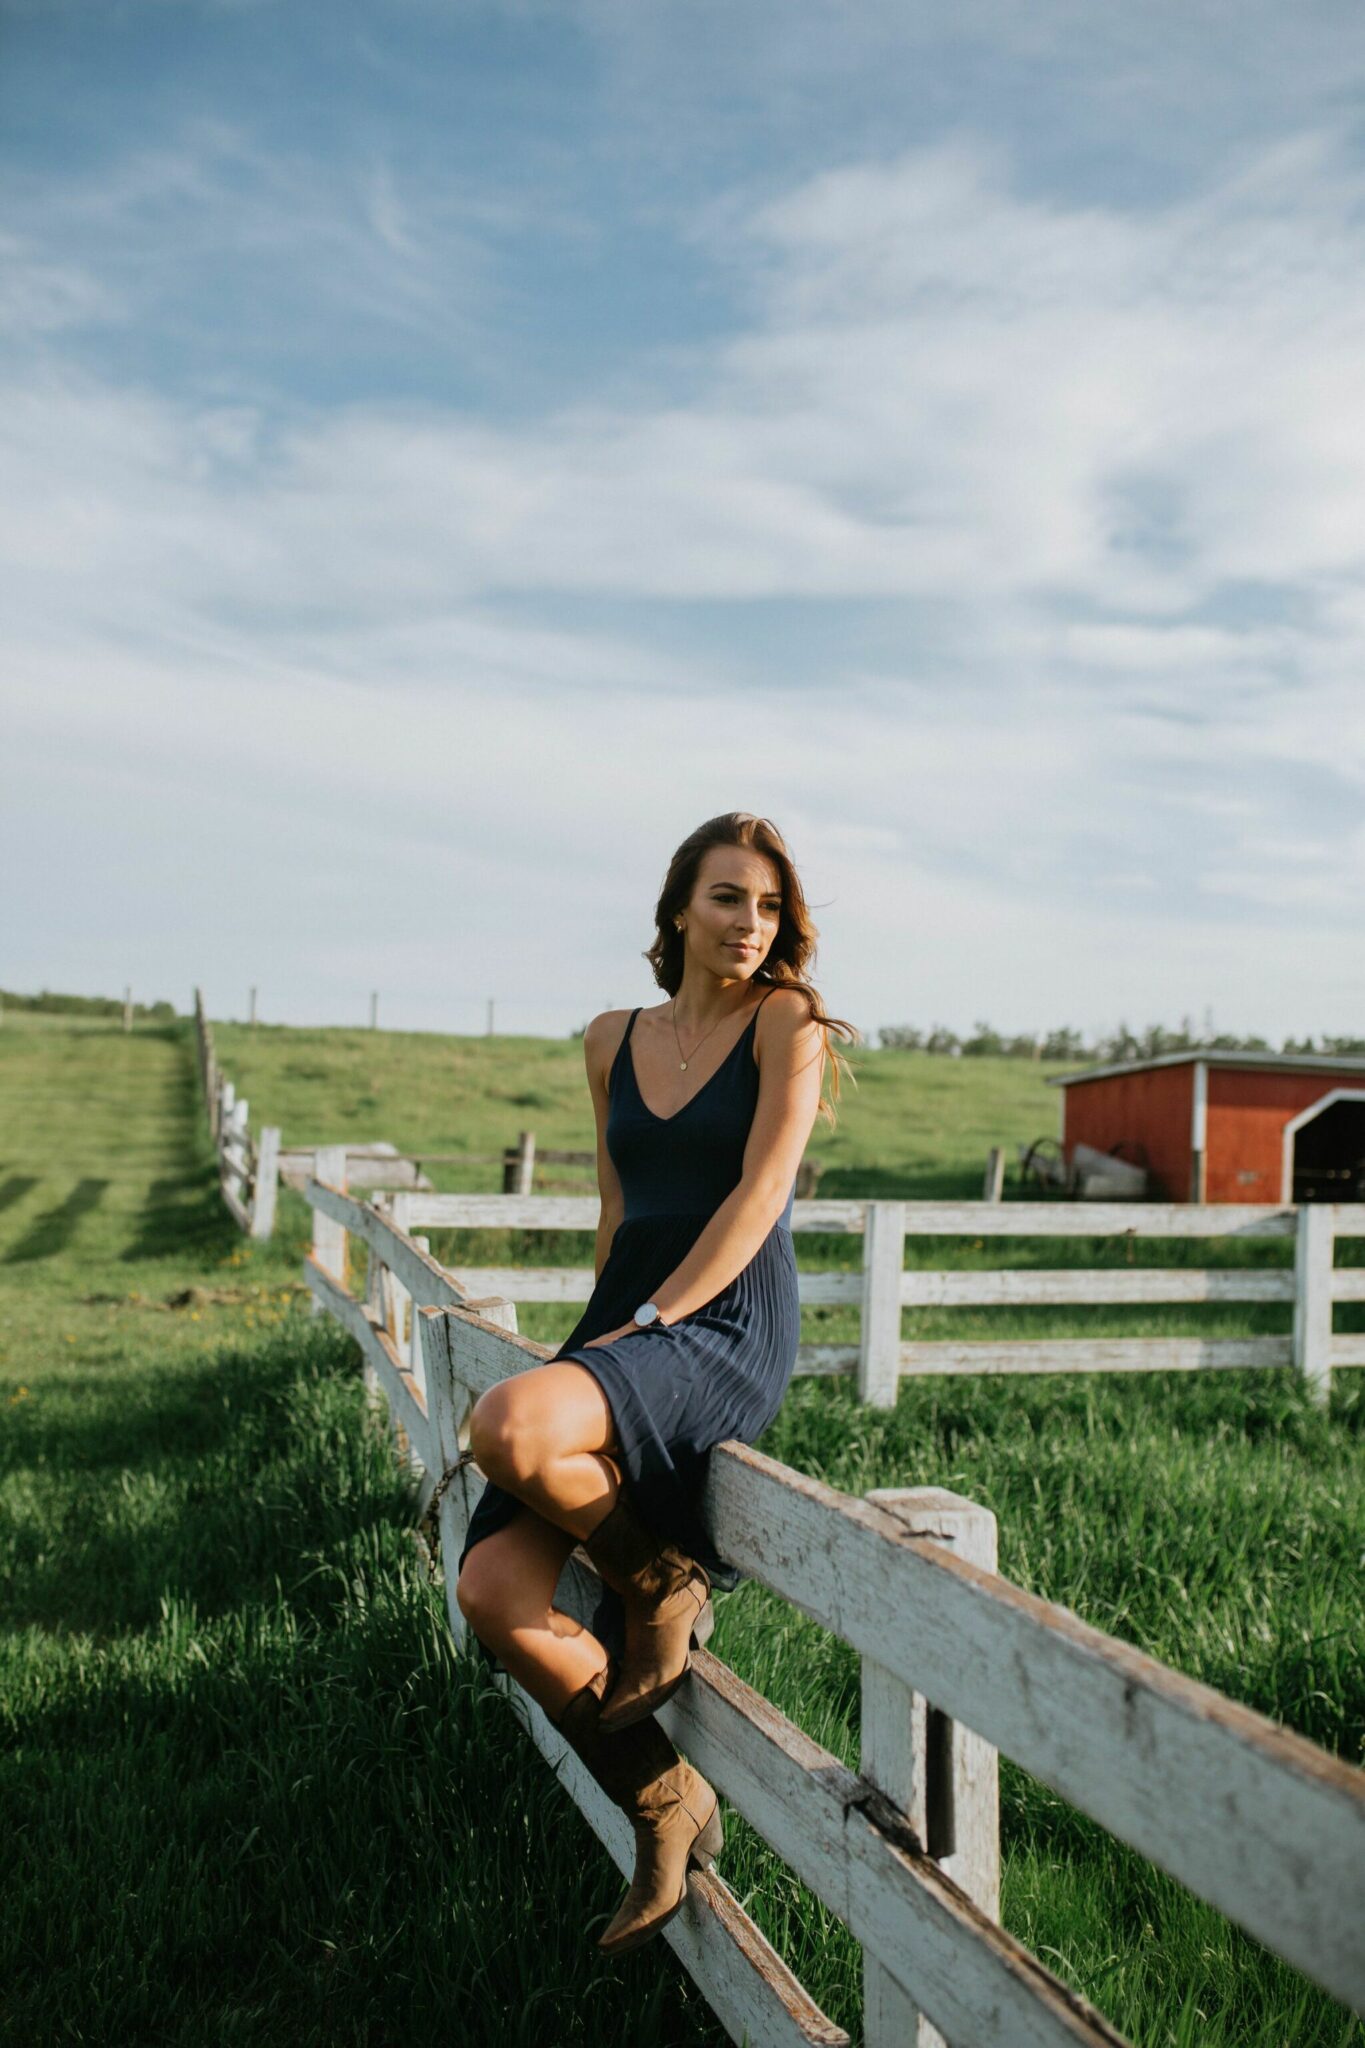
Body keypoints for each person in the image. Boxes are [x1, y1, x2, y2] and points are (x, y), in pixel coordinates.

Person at [454, 810, 857, 1955]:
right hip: (628, 1315)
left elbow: (760, 1193)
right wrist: (607, 1332)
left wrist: (660, 1317)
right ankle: (663, 1795)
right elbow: (618, 1206)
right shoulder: (608, 1036)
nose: (749, 923)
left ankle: (661, 1582)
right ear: (678, 906)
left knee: (507, 1424)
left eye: (770, 905)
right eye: (728, 897)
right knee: (491, 1589)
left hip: (723, 1316)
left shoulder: (789, 1022)